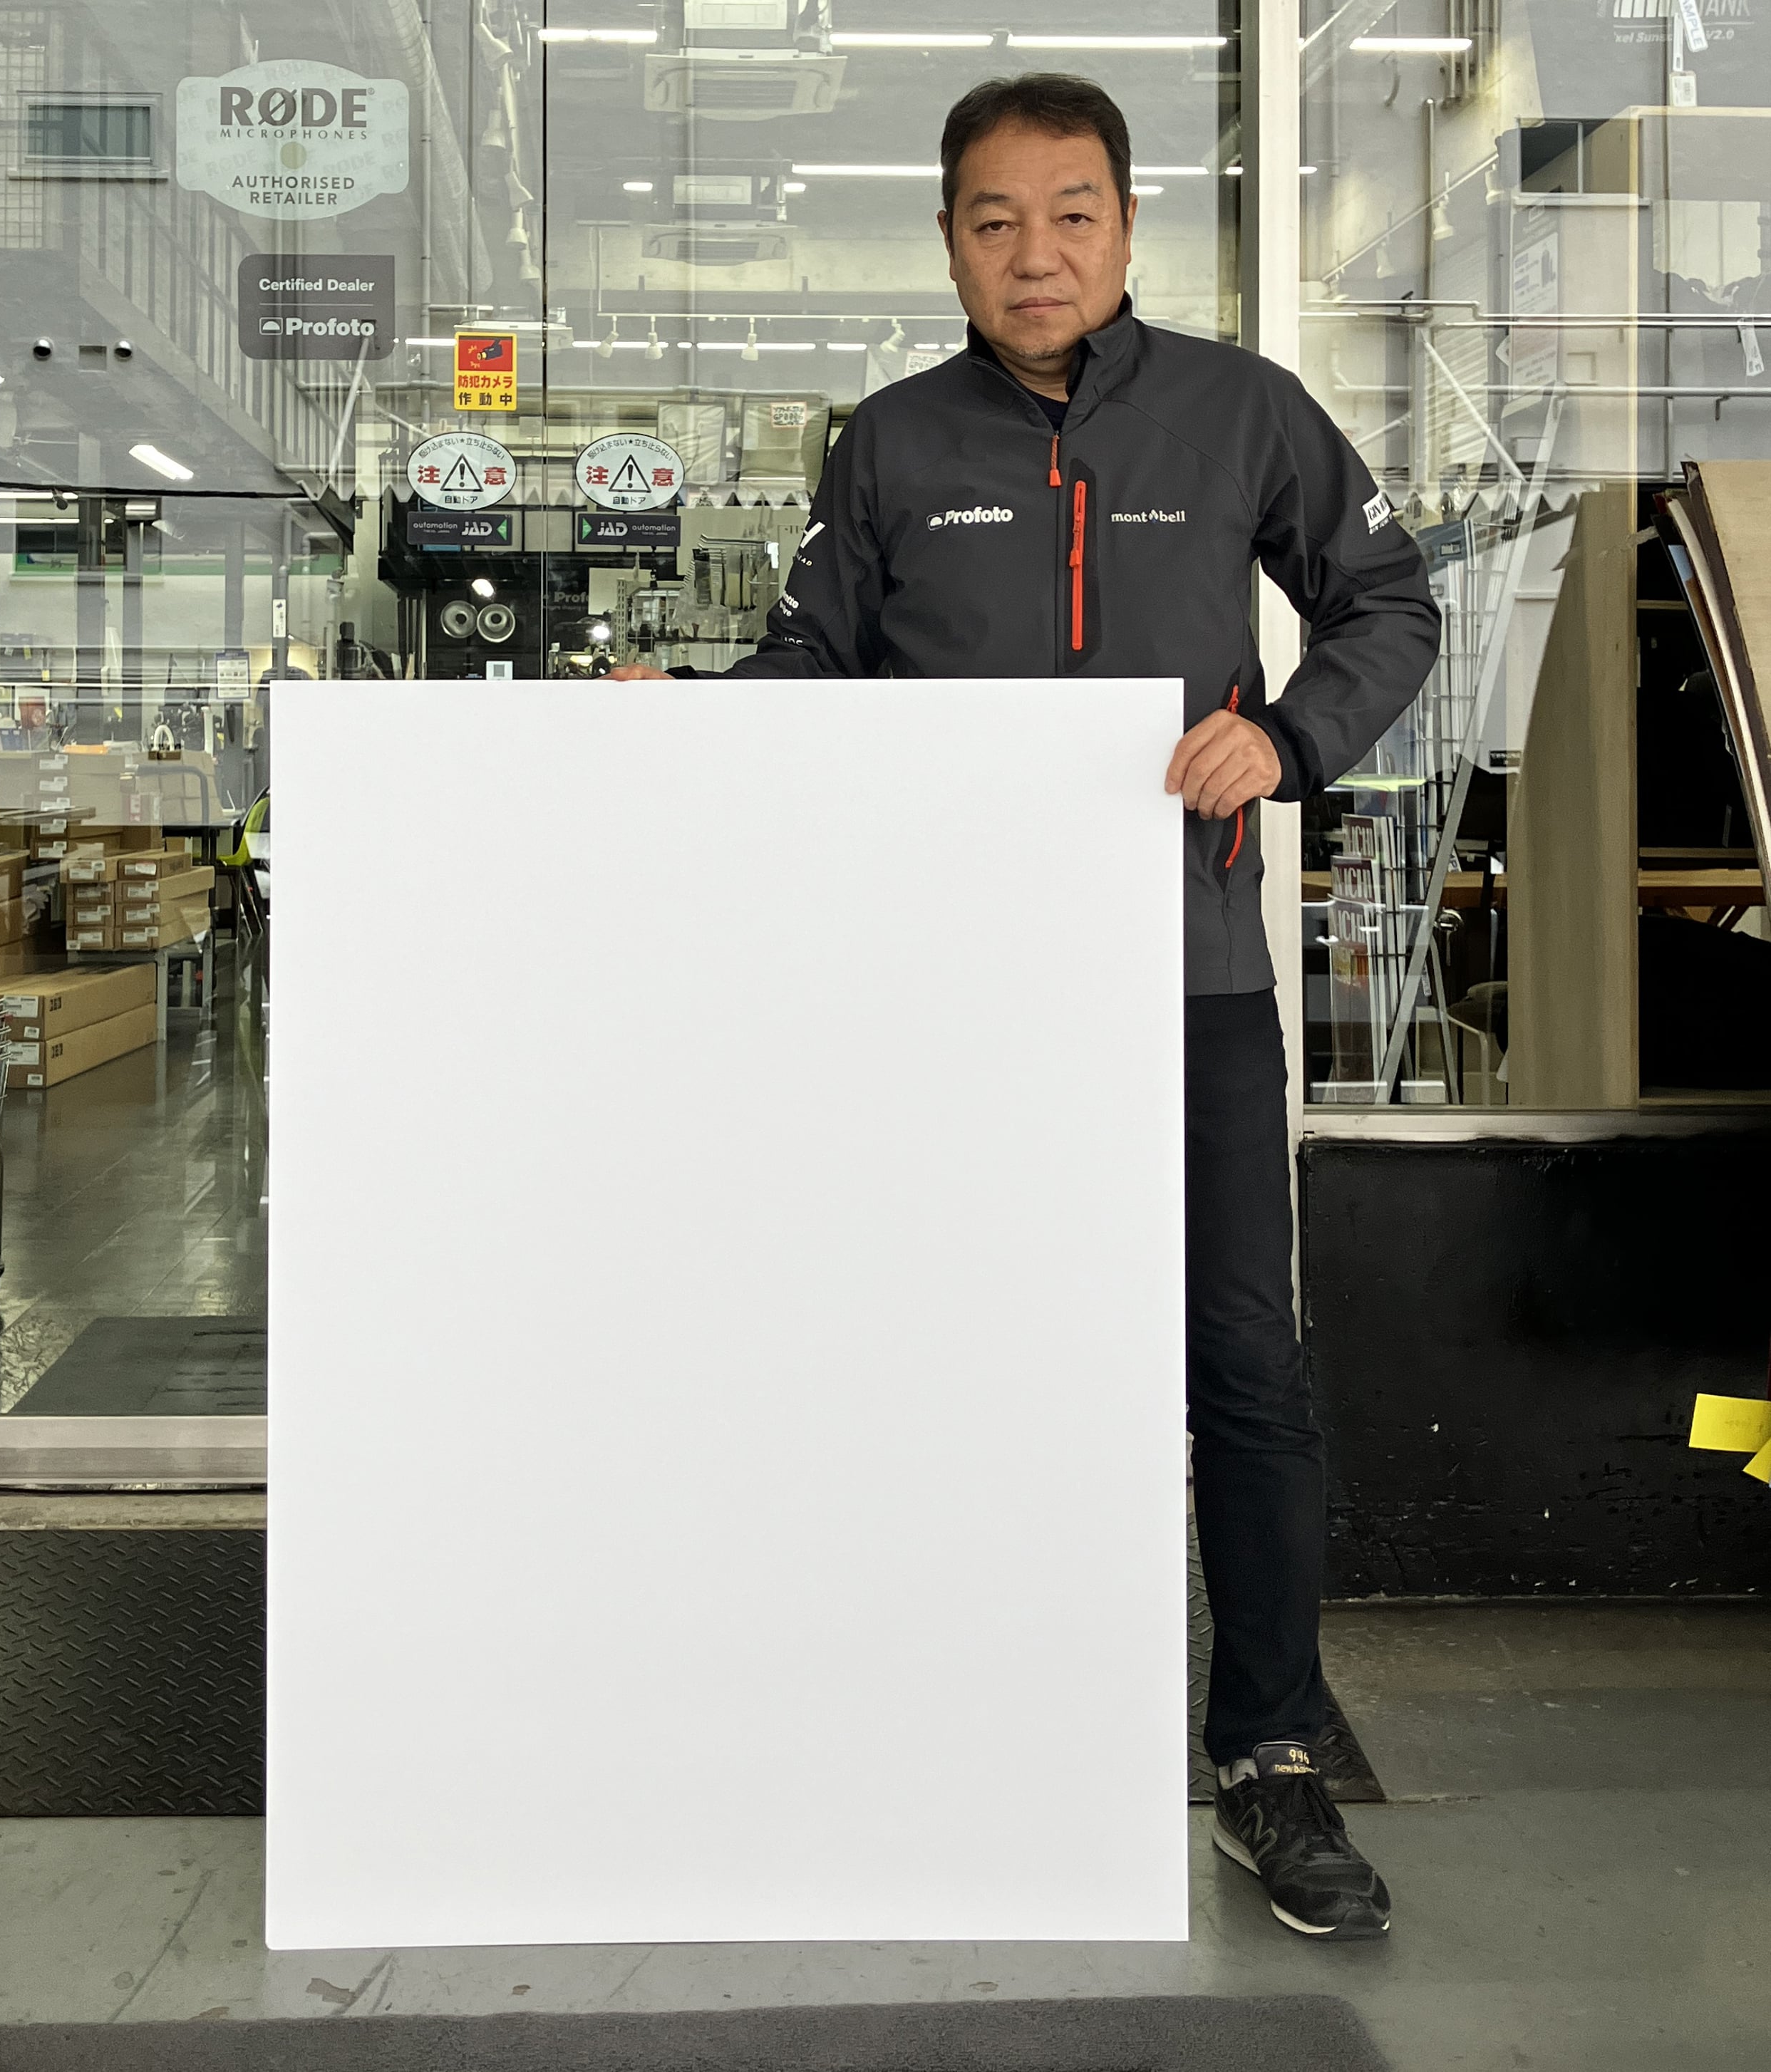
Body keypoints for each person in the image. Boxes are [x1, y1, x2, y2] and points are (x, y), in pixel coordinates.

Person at [610, 73, 1440, 1940]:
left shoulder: (1243, 412)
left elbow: (1386, 602)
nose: (1035, 252)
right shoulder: (893, 442)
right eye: (995, 219)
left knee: (1241, 1365)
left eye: (1072, 213)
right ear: (948, 242)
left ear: (1129, 228)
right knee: (932, 1352)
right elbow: (819, 664)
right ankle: (945, 1727)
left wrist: (1285, 735)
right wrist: (683, 723)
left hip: (1187, 984)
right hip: (945, 1005)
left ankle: (1269, 1755)